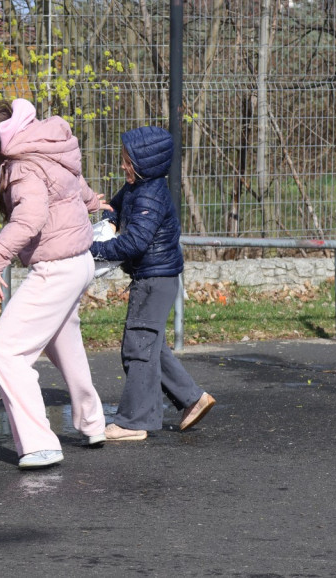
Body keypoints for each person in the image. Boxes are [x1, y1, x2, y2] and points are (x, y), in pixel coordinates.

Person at [0, 97, 107, 469]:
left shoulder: (22, 165)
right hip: (80, 260)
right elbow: (72, 182)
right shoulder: (45, 143)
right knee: (65, 344)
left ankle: (40, 445)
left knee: (5, 352)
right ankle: (93, 423)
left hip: (56, 267)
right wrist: (92, 202)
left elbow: (30, 218)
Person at [90, 126, 216, 441]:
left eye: (127, 161)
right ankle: (193, 399)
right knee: (152, 347)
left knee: (138, 348)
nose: (123, 166)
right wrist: (107, 221)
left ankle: (135, 422)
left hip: (154, 280)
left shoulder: (150, 194)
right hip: (154, 278)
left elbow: (135, 243)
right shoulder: (137, 186)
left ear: (144, 162)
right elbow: (116, 209)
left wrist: (91, 249)